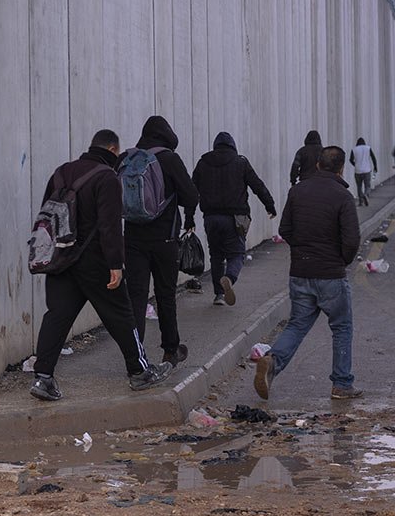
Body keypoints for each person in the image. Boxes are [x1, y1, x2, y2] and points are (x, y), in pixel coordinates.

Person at [28, 130, 173, 401]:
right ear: (113, 150)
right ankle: (140, 372)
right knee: (122, 316)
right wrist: (116, 264)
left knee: (57, 317)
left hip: (61, 259)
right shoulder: (106, 177)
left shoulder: (61, 172)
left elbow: (47, 214)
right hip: (96, 262)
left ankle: (43, 379)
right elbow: (110, 225)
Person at [252, 147, 362, 401]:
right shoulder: (343, 196)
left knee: (298, 324)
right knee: (342, 327)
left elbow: (285, 229)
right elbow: (352, 239)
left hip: (300, 271)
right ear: (341, 168)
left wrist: (302, 251)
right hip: (331, 274)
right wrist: (340, 261)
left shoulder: (297, 191)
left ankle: (273, 361)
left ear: (319, 165)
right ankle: (342, 384)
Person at [122, 115, 199, 368]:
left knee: (136, 297)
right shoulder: (169, 159)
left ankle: (135, 357)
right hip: (165, 239)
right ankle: (170, 350)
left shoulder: (127, 158)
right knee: (166, 295)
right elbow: (190, 196)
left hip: (133, 239)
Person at [191, 131, 276, 307]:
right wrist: (270, 205)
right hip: (235, 218)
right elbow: (257, 186)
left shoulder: (203, 163)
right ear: (233, 146)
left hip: (211, 218)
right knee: (236, 254)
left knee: (216, 256)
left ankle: (219, 295)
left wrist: (189, 218)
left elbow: (192, 192)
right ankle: (229, 278)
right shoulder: (240, 162)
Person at [349, 138, 377, 207]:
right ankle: (366, 194)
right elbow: (373, 158)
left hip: (358, 171)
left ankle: (361, 202)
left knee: (359, 186)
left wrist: (355, 165)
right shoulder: (368, 148)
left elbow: (350, 159)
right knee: (367, 186)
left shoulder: (354, 149)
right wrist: (375, 167)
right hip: (367, 170)